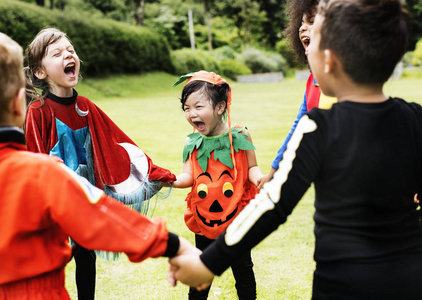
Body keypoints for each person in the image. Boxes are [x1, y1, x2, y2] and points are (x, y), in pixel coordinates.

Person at [169, 0, 421, 299]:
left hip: (342, 283)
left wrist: (208, 262)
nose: (305, 50)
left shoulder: (317, 127)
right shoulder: (414, 117)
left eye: (311, 42)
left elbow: (271, 204)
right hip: (410, 277)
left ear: (328, 60)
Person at [0, 32, 199, 300]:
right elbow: (34, 154)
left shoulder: (85, 107)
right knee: (58, 249)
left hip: (83, 191)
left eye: (70, 50)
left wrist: (155, 173)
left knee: (85, 253)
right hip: (51, 196)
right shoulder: (38, 111)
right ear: (39, 71)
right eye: (57, 54)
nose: (68, 55)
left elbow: (117, 143)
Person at [171, 71, 263, 299]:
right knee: (201, 272)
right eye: (186, 108)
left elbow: (252, 167)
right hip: (204, 219)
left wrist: (259, 178)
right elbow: (188, 177)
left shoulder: (241, 135)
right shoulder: (191, 141)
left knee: (243, 269)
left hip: (236, 217)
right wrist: (168, 181)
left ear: (220, 107)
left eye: (198, 107)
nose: (192, 114)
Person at [257, 0, 336, 189]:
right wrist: (274, 172)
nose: (302, 28)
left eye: (311, 21)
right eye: (301, 23)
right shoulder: (313, 82)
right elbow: (298, 129)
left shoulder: (355, 82)